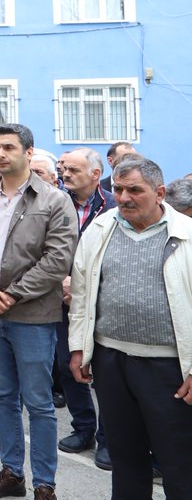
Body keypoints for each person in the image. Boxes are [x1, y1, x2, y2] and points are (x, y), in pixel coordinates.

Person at [0, 123, 77, 500]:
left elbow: (58, 260)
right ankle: (12, 473)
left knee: (39, 404)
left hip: (32, 317)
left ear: (28, 152)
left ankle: (45, 484)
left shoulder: (54, 200)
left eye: (8, 147)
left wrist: (9, 295)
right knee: (4, 398)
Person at [69, 157, 192, 500]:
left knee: (179, 463)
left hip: (170, 368)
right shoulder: (101, 228)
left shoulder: (186, 233)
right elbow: (81, 292)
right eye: (118, 189)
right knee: (126, 459)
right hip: (111, 361)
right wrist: (80, 347)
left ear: (160, 193)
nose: (123, 198)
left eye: (134, 190)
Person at [54, 148, 114, 467]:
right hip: (61, 301)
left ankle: (107, 438)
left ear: (95, 173)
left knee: (104, 372)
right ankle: (83, 428)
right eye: (64, 170)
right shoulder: (55, 204)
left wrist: (82, 286)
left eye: (74, 170)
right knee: (67, 365)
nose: (65, 175)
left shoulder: (114, 208)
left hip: (102, 302)